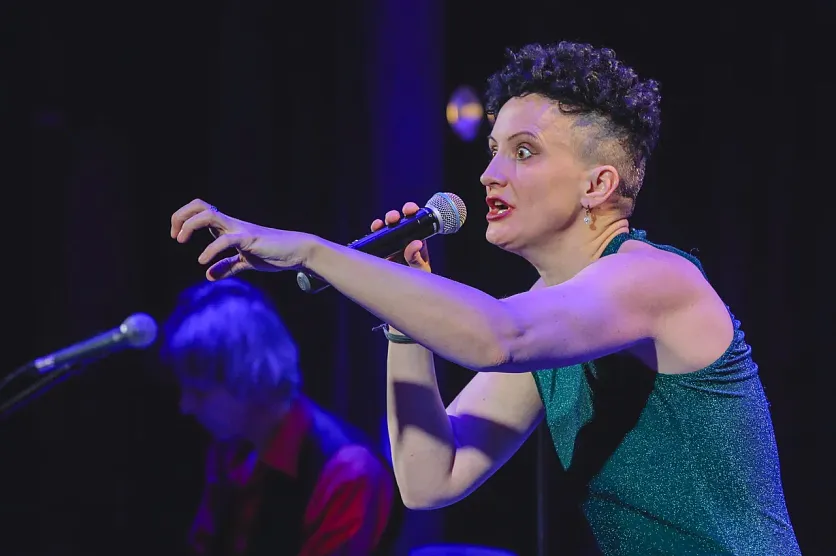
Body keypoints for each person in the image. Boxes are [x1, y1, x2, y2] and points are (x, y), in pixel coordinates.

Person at [169, 41, 800, 555]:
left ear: (598, 184)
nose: (490, 174)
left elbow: (498, 336)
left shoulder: (654, 278)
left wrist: (312, 249)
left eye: (524, 152)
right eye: (493, 151)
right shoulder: (557, 310)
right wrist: (403, 323)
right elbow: (429, 478)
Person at [160, 278, 399, 556]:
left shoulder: (349, 472)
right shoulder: (231, 450)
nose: (185, 406)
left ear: (247, 377)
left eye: (198, 392)